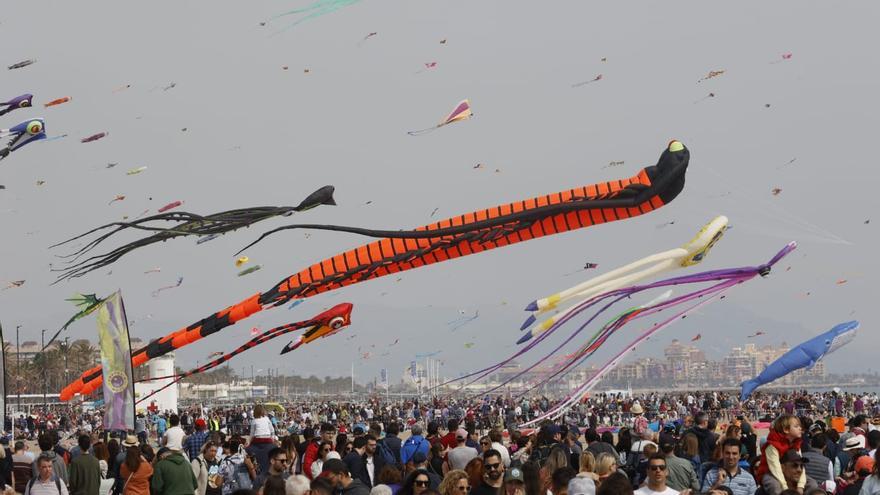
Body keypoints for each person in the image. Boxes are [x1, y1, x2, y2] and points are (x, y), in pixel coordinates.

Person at [755, 415, 805, 495]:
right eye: (796, 426)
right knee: (775, 487)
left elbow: (801, 465)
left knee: (812, 484)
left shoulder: (796, 443)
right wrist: (785, 489)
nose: (800, 428)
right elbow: (775, 468)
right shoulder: (773, 445)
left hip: (789, 472)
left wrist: (800, 485)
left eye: (800, 426)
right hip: (769, 473)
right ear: (786, 430)